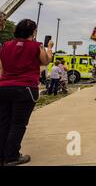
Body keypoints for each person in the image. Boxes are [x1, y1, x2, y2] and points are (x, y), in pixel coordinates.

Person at [0, 19, 53, 166]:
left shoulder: (5, 46)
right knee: (18, 124)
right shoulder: (36, 46)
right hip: (25, 89)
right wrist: (49, 47)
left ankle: (2, 155)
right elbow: (46, 61)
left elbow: (2, 69)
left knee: (4, 123)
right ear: (33, 32)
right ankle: (11, 156)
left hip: (4, 87)